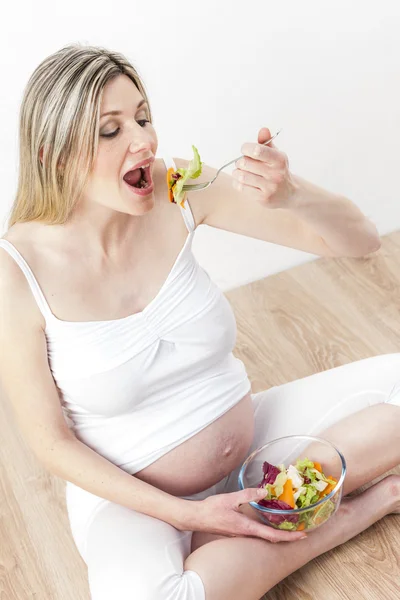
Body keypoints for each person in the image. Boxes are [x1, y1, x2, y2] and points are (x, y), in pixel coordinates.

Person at [0, 43, 399, 600]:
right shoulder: (17, 270)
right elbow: (51, 444)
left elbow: (358, 242)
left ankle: (264, 515)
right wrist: (189, 514)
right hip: (134, 501)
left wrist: (290, 195)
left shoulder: (176, 187)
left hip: (255, 445)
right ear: (53, 154)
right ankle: (352, 511)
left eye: (142, 117)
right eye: (110, 130)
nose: (143, 140)